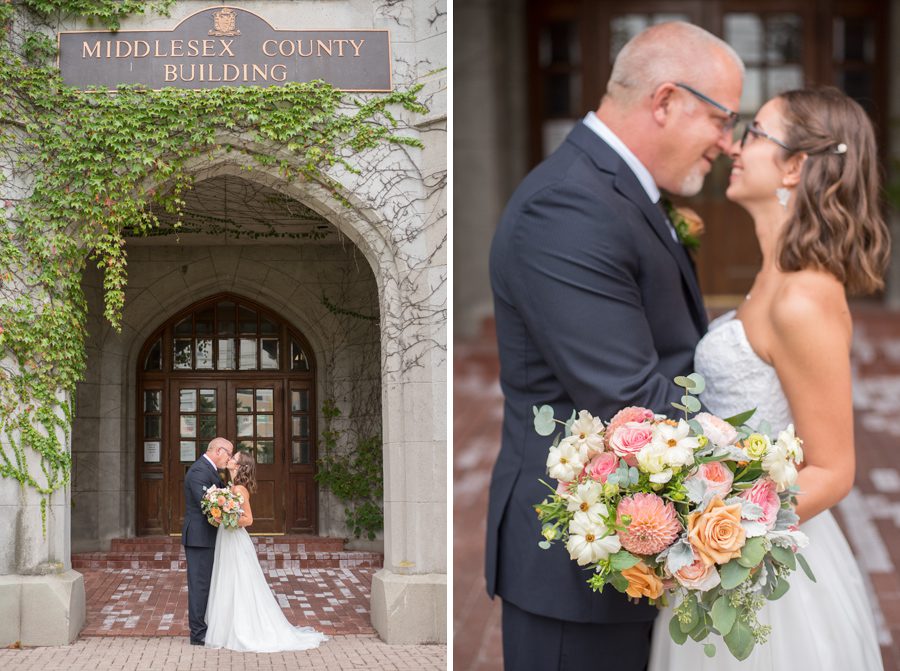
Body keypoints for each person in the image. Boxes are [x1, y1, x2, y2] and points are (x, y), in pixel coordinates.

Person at [486, 21, 744, 670]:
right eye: (721, 119)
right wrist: (761, 448)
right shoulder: (568, 207)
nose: (727, 142)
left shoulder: (617, 191)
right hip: (576, 565)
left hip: (629, 543)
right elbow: (630, 395)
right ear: (664, 101)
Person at [649, 87, 888, 670]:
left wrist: (713, 530)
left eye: (755, 132)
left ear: (796, 166)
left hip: (762, 570)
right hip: (723, 551)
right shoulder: (772, 277)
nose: (734, 144)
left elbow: (833, 470)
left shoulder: (803, 299)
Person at [204, 450, 328, 652]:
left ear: (240, 466)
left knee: (238, 581)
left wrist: (225, 517)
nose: (230, 459)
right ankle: (228, 629)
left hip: (234, 539)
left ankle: (242, 629)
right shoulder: (232, 487)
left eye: (233, 458)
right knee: (227, 579)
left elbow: (248, 519)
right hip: (226, 538)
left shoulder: (239, 490)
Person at [182, 436, 234, 646]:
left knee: (208, 585)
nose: (228, 459)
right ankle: (198, 634)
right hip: (199, 538)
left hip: (208, 537)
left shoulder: (210, 471)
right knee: (200, 586)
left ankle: (207, 626)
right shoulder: (198, 471)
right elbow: (207, 504)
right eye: (228, 454)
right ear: (218, 451)